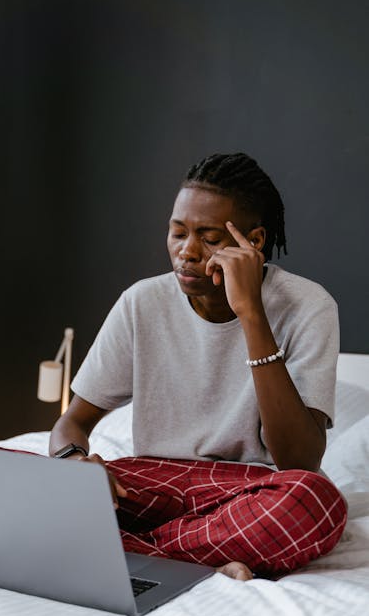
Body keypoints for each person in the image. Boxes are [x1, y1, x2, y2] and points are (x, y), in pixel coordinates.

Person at [49, 152, 347, 581]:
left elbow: (298, 460)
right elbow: (72, 422)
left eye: (208, 237)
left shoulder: (308, 306)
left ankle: (128, 551)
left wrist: (251, 314)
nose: (186, 252)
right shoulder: (142, 302)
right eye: (177, 233)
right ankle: (196, 552)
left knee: (313, 500)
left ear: (255, 242)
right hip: (152, 480)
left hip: (250, 490)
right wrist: (73, 461)